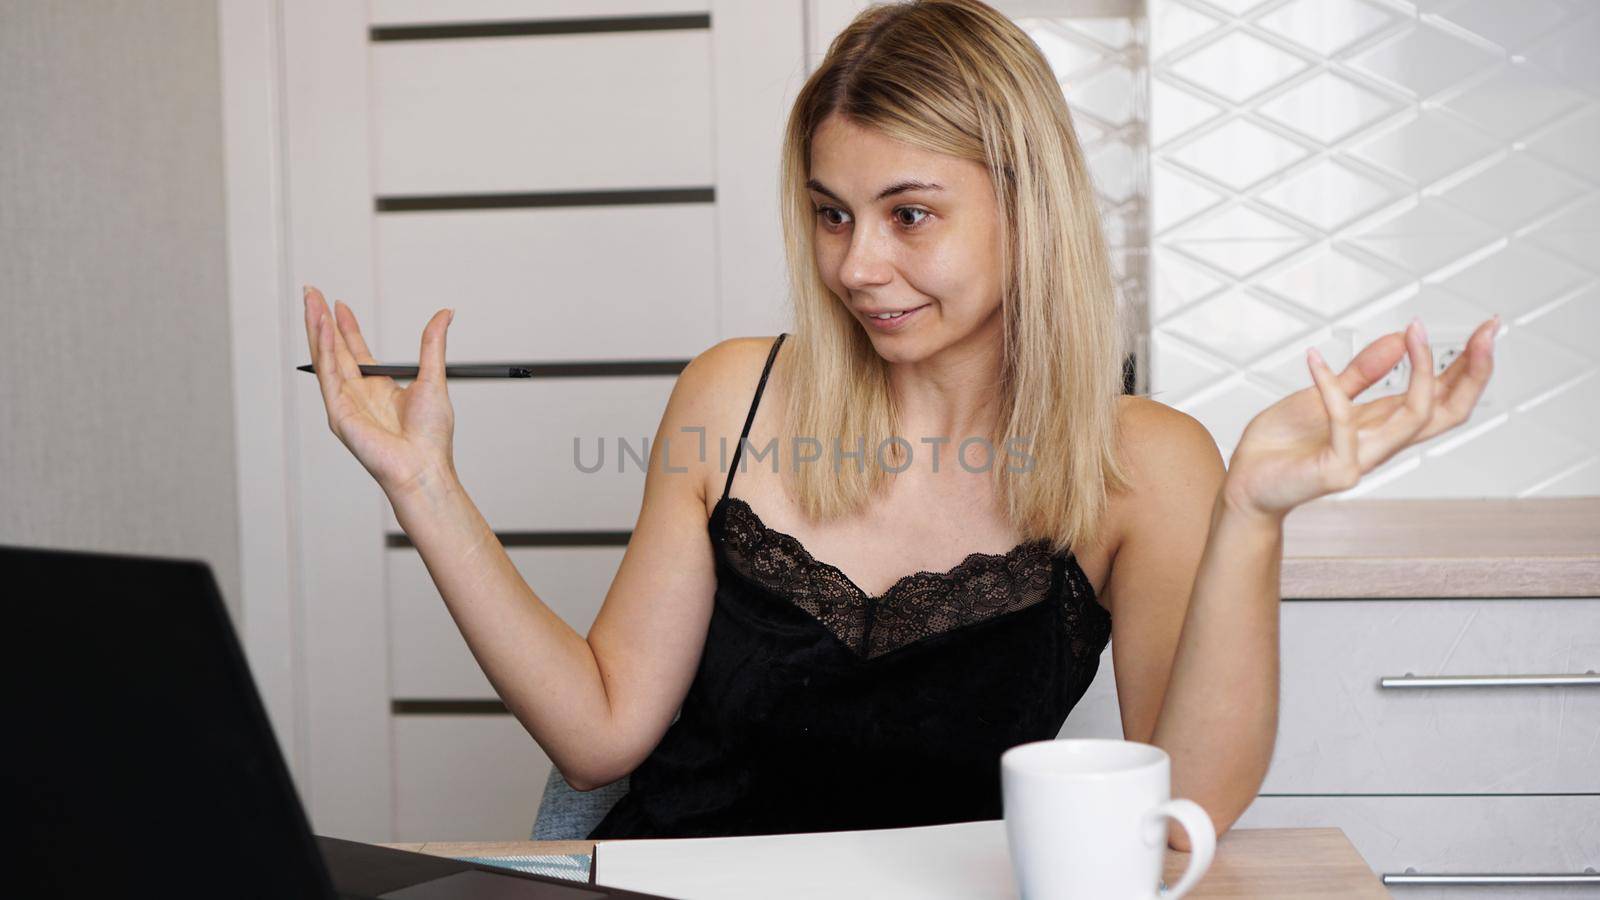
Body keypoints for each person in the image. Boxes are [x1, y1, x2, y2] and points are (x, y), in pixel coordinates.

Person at [300, 0, 1498, 846]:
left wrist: (1250, 515)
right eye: (830, 214)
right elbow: (598, 738)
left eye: (908, 214)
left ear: (1026, 208)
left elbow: (1184, 806)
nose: (857, 265)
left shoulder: (1147, 464)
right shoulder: (732, 397)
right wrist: (424, 488)